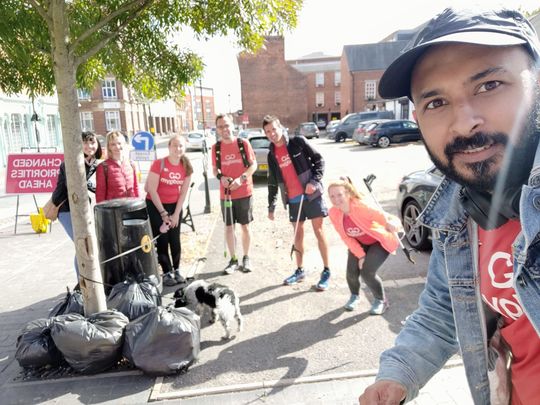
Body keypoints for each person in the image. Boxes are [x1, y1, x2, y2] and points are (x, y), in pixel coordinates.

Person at [359, 6, 540, 405]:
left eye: (490, 85)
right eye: (436, 103)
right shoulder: (459, 214)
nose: (463, 123)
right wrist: (399, 375)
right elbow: (442, 311)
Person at [262, 115, 331, 289]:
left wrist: (314, 182)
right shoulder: (271, 155)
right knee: (297, 236)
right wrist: (271, 205)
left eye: (273, 129)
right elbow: (272, 182)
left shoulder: (297, 142)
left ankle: (326, 271)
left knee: (319, 231)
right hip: (293, 200)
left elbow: (319, 160)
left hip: (312, 196)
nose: (272, 134)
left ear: (280, 127)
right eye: (267, 131)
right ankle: (300, 270)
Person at [327, 178, 400, 314]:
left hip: (377, 242)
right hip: (359, 243)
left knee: (367, 272)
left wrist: (393, 223)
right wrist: (360, 255)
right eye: (332, 196)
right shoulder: (334, 213)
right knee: (351, 273)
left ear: (348, 194)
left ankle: (381, 300)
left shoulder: (362, 207)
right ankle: (354, 296)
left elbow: (386, 218)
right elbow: (345, 237)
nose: (336, 199)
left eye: (339, 195)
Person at [51, 131, 102, 285]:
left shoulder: (92, 162)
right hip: (65, 207)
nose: (89, 146)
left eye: (92, 142)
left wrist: (97, 189)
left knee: (87, 243)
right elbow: (71, 185)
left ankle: (85, 278)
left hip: (81, 207)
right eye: (85, 143)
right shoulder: (71, 162)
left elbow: (85, 182)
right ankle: (81, 281)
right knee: (81, 244)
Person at [211, 113, 257, 274]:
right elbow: (215, 170)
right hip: (226, 195)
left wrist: (241, 178)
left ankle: (246, 257)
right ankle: (233, 260)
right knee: (229, 227)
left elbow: (253, 166)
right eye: (220, 126)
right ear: (217, 129)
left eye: (226, 125)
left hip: (244, 192)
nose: (224, 129)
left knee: (245, 226)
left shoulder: (243, 143)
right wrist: (221, 177)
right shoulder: (215, 148)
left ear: (232, 125)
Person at [145, 134, 193, 286]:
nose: (178, 149)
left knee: (175, 239)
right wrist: (163, 214)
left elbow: (183, 193)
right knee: (163, 239)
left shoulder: (186, 167)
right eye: (175, 145)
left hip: (174, 206)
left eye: (181, 146)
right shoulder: (159, 164)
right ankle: (166, 272)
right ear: (169, 147)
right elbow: (152, 190)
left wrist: (177, 213)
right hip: (156, 205)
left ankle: (177, 270)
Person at [95, 131, 139, 203]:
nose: (117, 147)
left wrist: (139, 207)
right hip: (113, 210)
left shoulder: (131, 164)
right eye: (113, 144)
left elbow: (136, 187)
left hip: (131, 208)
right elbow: (100, 192)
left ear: (124, 144)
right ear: (109, 147)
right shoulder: (103, 167)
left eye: (119, 143)